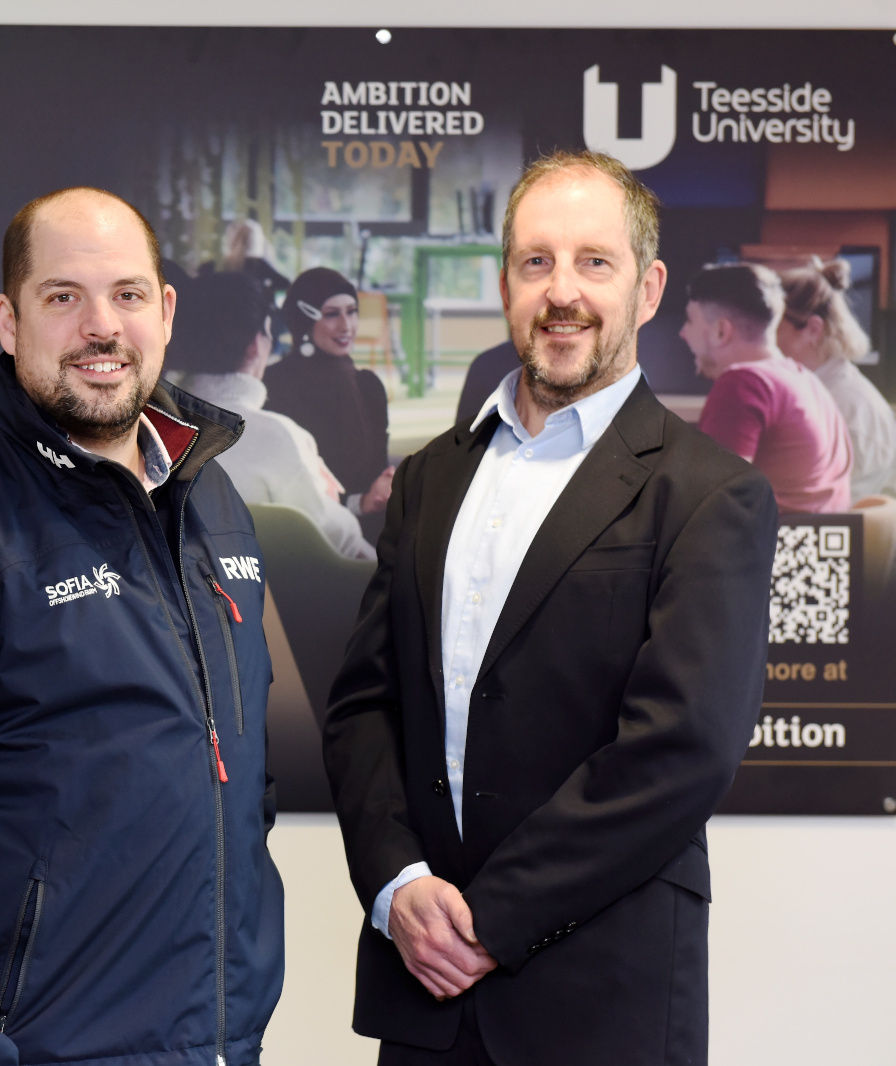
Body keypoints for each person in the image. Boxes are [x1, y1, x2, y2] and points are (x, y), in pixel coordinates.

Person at [322, 150, 778, 1065]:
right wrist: (398, 883)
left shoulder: (708, 492)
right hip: (427, 996)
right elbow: (364, 706)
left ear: (649, 289)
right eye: (537, 262)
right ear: (505, 285)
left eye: (593, 262)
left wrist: (489, 919)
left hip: (601, 1004)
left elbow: (681, 749)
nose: (561, 291)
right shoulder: (427, 480)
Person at [0, 187, 283, 1066]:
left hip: (220, 1043)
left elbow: (234, 782)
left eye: (128, 295)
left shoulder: (211, 500)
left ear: (167, 312)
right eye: (63, 297)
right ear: (8, 319)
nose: (101, 326)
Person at [172, 270, 376, 560]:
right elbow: (332, 539)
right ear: (257, 343)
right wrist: (334, 504)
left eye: (351, 312)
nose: (345, 325)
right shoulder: (276, 436)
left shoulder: (147, 425)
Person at [684, 262, 853, 513]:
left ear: (721, 331)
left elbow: (710, 508)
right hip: (813, 548)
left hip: (767, 549)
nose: (683, 333)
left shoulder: (744, 383)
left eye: (690, 321)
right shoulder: (806, 379)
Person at [263, 267, 394, 538]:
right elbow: (282, 488)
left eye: (351, 311)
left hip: (370, 530)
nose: (346, 326)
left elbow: (377, 472)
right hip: (304, 535)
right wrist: (360, 503)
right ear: (303, 321)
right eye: (332, 314)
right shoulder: (275, 385)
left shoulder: (369, 387)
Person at [778, 257, 895, 500]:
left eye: (772, 326)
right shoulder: (814, 389)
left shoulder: (847, 409)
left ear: (813, 329)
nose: (761, 335)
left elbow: (828, 515)